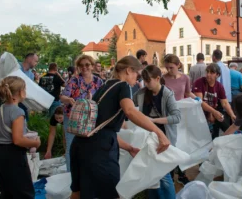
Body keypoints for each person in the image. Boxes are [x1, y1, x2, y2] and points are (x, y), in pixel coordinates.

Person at [69, 56, 170, 199]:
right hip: (99, 152)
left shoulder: (105, 86)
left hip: (80, 145)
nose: (137, 79)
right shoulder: (123, 86)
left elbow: (103, 128)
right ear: (129, 70)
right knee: (113, 195)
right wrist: (159, 132)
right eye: (137, 74)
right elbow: (130, 111)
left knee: (78, 193)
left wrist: (128, 147)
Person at [0, 76, 41, 198]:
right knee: (23, 193)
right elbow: (17, 140)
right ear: (20, 92)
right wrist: (35, 143)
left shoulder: (0, 109)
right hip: (12, 156)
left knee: (6, 192)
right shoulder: (18, 112)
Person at [133, 65, 181, 197]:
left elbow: (177, 117)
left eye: (148, 80)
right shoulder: (141, 94)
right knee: (151, 171)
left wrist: (153, 121)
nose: (146, 83)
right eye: (144, 80)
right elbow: (131, 109)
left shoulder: (167, 93)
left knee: (165, 174)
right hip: (147, 136)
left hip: (164, 136)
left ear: (158, 78)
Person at [60, 55, 104, 172]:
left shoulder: (98, 81)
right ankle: (70, 175)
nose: (84, 67)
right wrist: (68, 100)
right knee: (71, 146)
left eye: (87, 65)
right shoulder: (74, 80)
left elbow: (101, 99)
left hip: (89, 118)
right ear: (78, 67)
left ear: (92, 66)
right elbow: (62, 96)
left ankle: (85, 172)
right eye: (81, 65)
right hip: (72, 117)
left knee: (88, 146)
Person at [162, 54, 194, 185]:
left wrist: (197, 100)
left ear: (178, 65)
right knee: (170, 144)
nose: (169, 70)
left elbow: (187, 93)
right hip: (168, 115)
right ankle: (169, 173)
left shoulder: (185, 78)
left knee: (181, 144)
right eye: (167, 68)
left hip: (181, 115)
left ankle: (181, 173)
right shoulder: (163, 79)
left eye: (171, 67)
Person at [193, 63, 236, 139]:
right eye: (207, 72)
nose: (208, 74)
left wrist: (232, 114)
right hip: (199, 115)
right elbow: (199, 102)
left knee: (223, 124)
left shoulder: (219, 86)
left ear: (217, 75)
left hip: (213, 112)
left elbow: (225, 103)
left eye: (212, 73)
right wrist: (213, 112)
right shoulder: (199, 82)